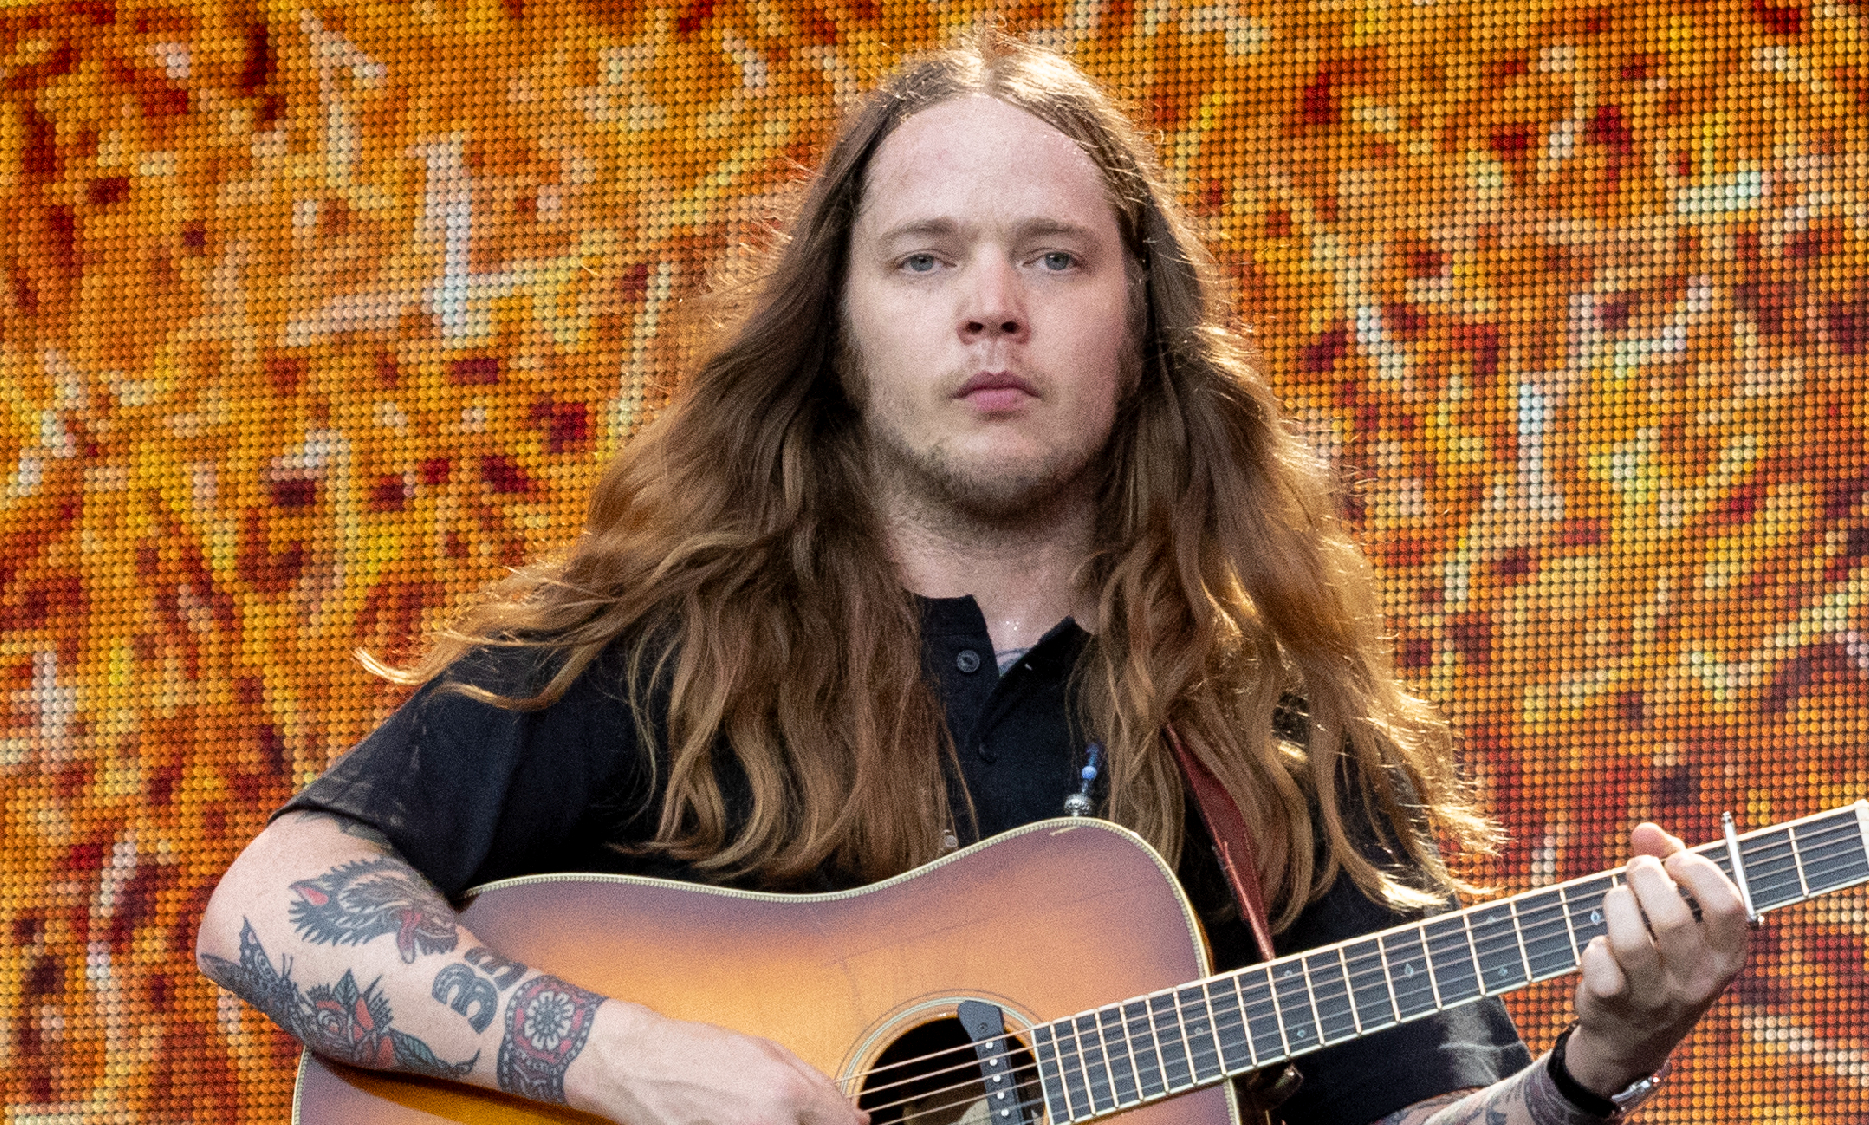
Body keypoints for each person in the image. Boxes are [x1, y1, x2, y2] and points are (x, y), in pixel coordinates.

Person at [197, 33, 1748, 1125]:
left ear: (1141, 333)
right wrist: (628, 1061)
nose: (992, 308)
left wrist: (1589, 1070)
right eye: (927, 258)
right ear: (844, 327)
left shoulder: (1278, 744)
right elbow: (272, 906)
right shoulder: (664, 651)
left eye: (1056, 258)